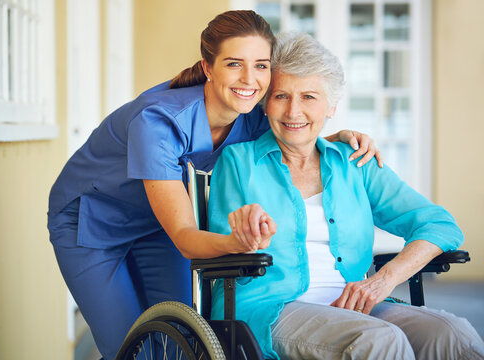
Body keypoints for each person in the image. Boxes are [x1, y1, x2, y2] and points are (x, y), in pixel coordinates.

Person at [47, 11, 381, 359]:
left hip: (157, 223)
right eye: (234, 64)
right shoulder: (158, 123)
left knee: (182, 340)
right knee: (134, 350)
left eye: (261, 65)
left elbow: (295, 131)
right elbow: (185, 236)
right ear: (208, 67)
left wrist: (339, 138)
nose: (250, 79)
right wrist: (234, 242)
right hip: (92, 224)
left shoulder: (251, 114)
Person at [208, 32, 484, 360]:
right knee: (379, 341)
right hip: (270, 310)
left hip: (354, 305)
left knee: (454, 335)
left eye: (309, 97)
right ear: (266, 102)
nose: (293, 111)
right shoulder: (239, 162)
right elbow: (223, 242)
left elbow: (439, 225)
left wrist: (384, 280)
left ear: (332, 105)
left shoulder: (354, 162)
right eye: (281, 95)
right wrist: (245, 232)